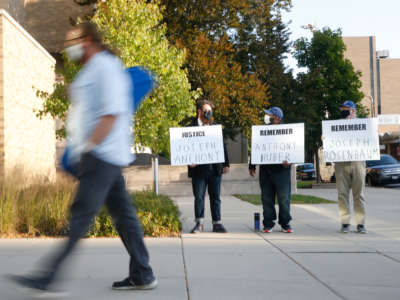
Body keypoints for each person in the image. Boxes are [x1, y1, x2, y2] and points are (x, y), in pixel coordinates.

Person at [8, 22, 157, 295]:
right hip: (100, 156)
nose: (69, 46)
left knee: (79, 216)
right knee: (123, 216)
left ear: (88, 40)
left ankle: (48, 277)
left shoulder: (107, 67)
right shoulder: (93, 69)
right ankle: (143, 273)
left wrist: (86, 149)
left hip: (101, 155)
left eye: (73, 41)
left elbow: (110, 115)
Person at [188, 99, 230, 233]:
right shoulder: (190, 128)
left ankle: (217, 223)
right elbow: (185, 148)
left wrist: (226, 163)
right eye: (206, 111)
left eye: (210, 112)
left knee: (215, 197)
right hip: (198, 170)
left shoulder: (215, 127)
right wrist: (189, 161)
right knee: (199, 197)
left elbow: (223, 146)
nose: (209, 114)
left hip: (214, 168)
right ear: (199, 112)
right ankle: (199, 223)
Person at [249, 107, 293, 233]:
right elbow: (256, 148)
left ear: (277, 118)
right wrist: (252, 166)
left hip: (282, 171)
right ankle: (268, 223)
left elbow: (293, 149)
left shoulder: (288, 132)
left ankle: (285, 223)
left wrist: (289, 162)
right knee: (267, 198)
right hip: (266, 171)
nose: (266, 117)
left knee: (284, 199)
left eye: (269, 115)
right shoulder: (262, 131)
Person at [335, 100, 367, 234]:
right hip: (341, 163)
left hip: (358, 162)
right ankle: (345, 223)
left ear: (352, 110)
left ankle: (360, 224)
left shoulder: (363, 125)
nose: (343, 111)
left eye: (345, 108)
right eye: (342, 108)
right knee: (342, 194)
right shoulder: (336, 126)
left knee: (358, 195)